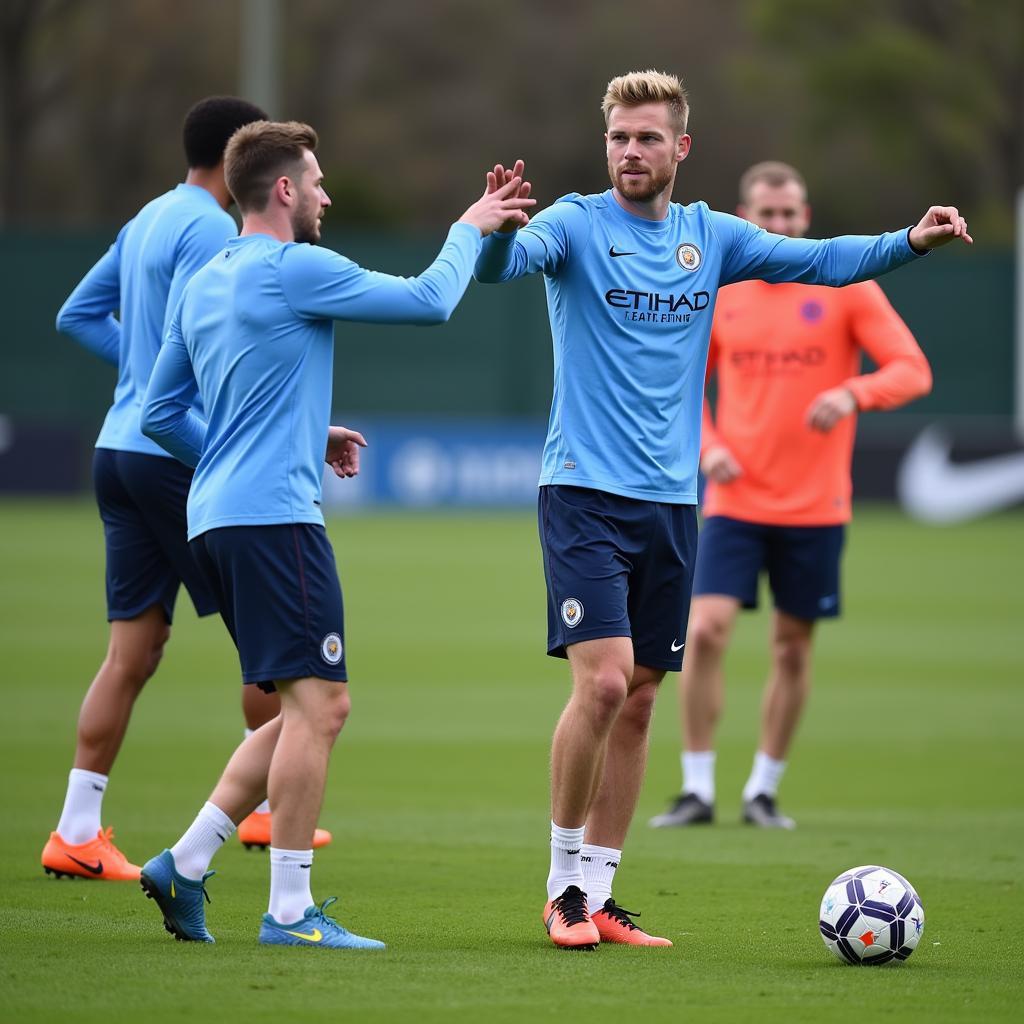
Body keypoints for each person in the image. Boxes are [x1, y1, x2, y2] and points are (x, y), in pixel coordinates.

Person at [474, 71, 970, 950]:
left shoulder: (714, 237)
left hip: (672, 503)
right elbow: (502, 268)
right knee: (601, 678)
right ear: (607, 146)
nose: (632, 151)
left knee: (638, 700)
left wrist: (910, 241)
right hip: (584, 489)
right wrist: (491, 232)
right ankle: (560, 888)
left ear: (681, 149)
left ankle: (600, 889)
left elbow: (821, 262)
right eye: (620, 137)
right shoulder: (575, 225)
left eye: (648, 138)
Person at [137, 120, 535, 949]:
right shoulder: (296, 267)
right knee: (325, 707)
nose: (326, 195)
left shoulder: (205, 279)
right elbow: (429, 302)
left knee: (294, 712)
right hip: (275, 520)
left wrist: (287, 436)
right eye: (316, 181)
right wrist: (471, 226)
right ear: (283, 190)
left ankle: (187, 859)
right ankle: (288, 913)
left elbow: (161, 414)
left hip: (213, 518)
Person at [648, 162, 933, 832]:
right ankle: (696, 787)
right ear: (745, 218)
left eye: (790, 215)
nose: (778, 225)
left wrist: (852, 392)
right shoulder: (723, 290)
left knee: (792, 648)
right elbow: (680, 387)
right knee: (705, 630)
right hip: (735, 500)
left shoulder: (848, 289)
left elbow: (912, 369)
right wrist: (706, 444)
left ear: (805, 219)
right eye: (766, 215)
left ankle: (763, 791)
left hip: (816, 505)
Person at [43, 96, 282, 883]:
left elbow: (77, 314)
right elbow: (211, 339)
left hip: (117, 451)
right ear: (238, 153)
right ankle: (266, 812)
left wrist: (139, 375)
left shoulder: (147, 217)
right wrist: (168, 390)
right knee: (269, 641)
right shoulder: (217, 228)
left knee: (132, 652)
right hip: (172, 454)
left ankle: (76, 830)